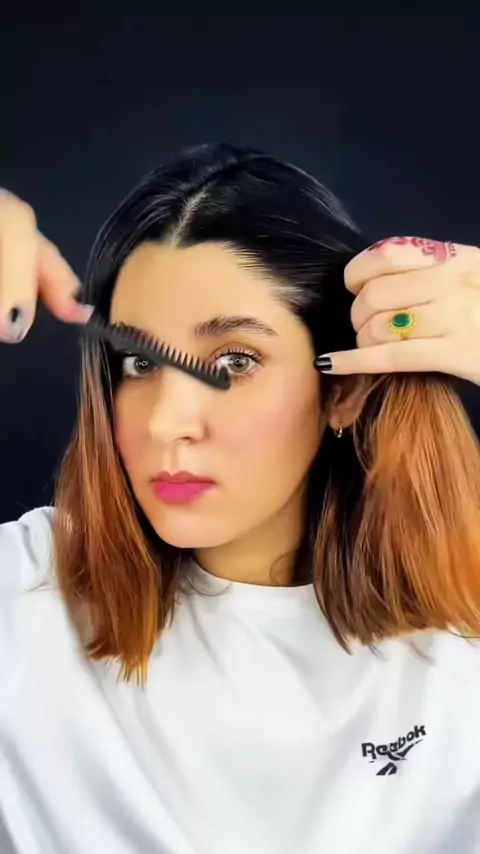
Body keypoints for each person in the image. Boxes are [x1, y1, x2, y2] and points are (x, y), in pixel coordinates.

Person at [1, 143, 480, 854]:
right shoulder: (26, 593)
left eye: (234, 361)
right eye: (137, 361)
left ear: (343, 390)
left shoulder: (462, 633)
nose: (166, 422)